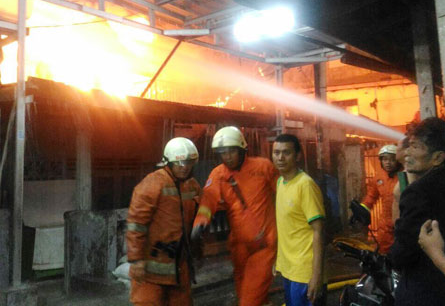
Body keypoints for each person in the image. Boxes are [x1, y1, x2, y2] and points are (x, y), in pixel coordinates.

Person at [191, 126, 278, 306]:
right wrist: (200, 222)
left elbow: (285, 193)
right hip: (239, 247)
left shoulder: (263, 167)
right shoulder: (218, 175)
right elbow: (208, 201)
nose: (227, 156)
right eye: (223, 153)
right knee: (246, 293)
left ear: (241, 149)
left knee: (249, 300)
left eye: (231, 151)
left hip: (264, 245)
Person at [126, 137, 201, 306]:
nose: (185, 167)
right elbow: (136, 224)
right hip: (150, 272)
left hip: (179, 268)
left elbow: (197, 221)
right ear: (168, 162)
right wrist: (136, 260)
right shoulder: (152, 183)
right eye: (180, 163)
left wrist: (198, 251)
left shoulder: (192, 186)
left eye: (189, 163)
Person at [389, 117, 445, 306]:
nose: (408, 153)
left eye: (416, 147)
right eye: (409, 146)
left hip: (424, 291)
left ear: (438, 157)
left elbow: (402, 251)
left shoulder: (417, 192)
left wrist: (392, 258)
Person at [272, 134, 326, 306]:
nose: (280, 157)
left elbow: (319, 230)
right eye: (276, 152)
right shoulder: (281, 183)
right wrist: (278, 260)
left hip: (305, 273)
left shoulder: (306, 185)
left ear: (298, 156)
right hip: (289, 270)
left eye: (286, 152)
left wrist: (316, 275)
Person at [361, 144, 400, 253]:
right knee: (384, 251)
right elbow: (371, 196)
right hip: (385, 224)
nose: (388, 162)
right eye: (385, 159)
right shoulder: (378, 177)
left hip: (402, 221)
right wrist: (362, 209)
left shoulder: (405, 176)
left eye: (392, 160)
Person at [392, 137, 417, 223]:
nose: (395, 150)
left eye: (397, 147)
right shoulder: (405, 173)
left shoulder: (410, 173)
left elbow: (410, 203)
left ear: (405, 151)